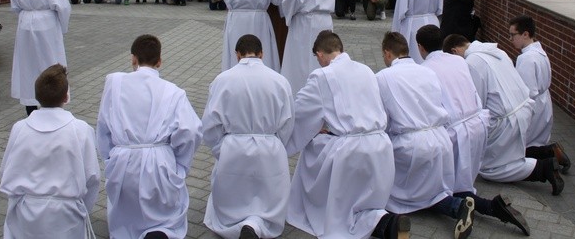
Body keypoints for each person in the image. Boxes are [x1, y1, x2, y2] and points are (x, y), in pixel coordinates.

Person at [286, 30, 407, 239]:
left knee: (311, 149)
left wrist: (281, 142)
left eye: (317, 58)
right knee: (363, 205)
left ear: (320, 54)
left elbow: (301, 115)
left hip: (350, 151)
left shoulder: (322, 75)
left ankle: (316, 207)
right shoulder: (366, 70)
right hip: (381, 145)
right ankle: (388, 223)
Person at [417, 26, 530, 236]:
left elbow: (431, 108)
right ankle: (493, 207)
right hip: (478, 124)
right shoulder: (459, 60)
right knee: (462, 179)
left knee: (444, 188)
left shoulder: (425, 70)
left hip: (457, 131)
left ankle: (490, 207)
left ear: (420, 47)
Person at [97, 34, 202, 239]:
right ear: (160, 62)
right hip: (159, 161)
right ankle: (160, 230)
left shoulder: (115, 83)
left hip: (123, 160)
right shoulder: (173, 91)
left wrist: (110, 158)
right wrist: (179, 162)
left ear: (133, 59)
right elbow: (191, 130)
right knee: (165, 214)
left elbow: (103, 126)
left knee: (127, 213)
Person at [376, 32, 475, 239]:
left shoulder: (383, 77)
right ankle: (457, 207)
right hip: (441, 140)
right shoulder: (427, 72)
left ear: (387, 53)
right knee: (432, 193)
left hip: (411, 146)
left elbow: (381, 120)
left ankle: (389, 219)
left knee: (386, 189)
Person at [443, 34, 564, 196]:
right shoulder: (497, 51)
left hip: (506, 120)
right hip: (524, 109)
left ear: (454, 51)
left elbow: (476, 102)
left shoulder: (472, 63)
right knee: (507, 154)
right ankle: (546, 152)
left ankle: (543, 169)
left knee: (490, 169)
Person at [202, 35, 294, 239]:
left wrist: (222, 148)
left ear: (237, 55)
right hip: (270, 148)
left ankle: (240, 222)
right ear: (262, 54)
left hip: (233, 149)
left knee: (232, 198)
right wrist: (276, 144)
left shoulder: (222, 80)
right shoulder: (280, 81)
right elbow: (288, 123)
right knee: (268, 199)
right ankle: (257, 223)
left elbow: (209, 126)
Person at [0, 64, 100, 239]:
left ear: (36, 97)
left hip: (27, 213)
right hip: (66, 215)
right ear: (67, 96)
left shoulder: (20, 128)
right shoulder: (81, 130)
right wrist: (83, 207)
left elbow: (4, 171)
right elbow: (92, 177)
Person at [10, 0, 71, 116]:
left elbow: (15, 6)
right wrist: (62, 27)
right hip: (47, 23)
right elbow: (62, 6)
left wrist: (27, 16)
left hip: (25, 23)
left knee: (27, 64)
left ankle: (30, 109)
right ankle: (54, 105)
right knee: (51, 63)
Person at [509, 15, 571, 173]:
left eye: (513, 35)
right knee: (536, 141)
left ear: (525, 34)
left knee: (521, 147)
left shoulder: (527, 59)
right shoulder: (540, 52)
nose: (510, 39)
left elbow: (526, 91)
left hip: (533, 105)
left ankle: (550, 155)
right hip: (544, 101)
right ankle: (552, 152)